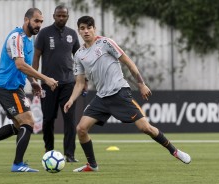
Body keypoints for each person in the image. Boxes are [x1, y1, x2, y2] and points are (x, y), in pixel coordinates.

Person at [64, 16, 191, 172]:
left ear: (94, 29)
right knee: (81, 129)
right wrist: (71, 100)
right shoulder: (78, 54)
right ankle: (92, 165)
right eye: (82, 28)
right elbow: (80, 83)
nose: (86, 31)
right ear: (79, 31)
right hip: (101, 98)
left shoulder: (106, 43)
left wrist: (141, 84)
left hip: (119, 93)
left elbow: (128, 61)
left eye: (89, 27)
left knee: (146, 128)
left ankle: (175, 151)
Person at [0, 8, 58, 172]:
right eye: (36, 21)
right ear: (27, 20)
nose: (39, 25)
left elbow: (25, 67)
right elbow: (20, 64)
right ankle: (18, 164)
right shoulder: (16, 37)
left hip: (14, 86)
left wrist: (32, 81)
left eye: (41, 22)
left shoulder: (29, 40)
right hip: (7, 87)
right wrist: (44, 78)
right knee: (28, 122)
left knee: (19, 126)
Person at [32, 5, 81, 162]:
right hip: (48, 84)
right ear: (53, 16)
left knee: (70, 120)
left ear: (67, 17)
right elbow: (36, 57)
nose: (61, 18)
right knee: (48, 119)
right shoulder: (44, 33)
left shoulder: (72, 34)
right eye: (58, 16)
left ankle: (70, 154)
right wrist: (34, 80)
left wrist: (83, 79)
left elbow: (79, 58)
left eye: (64, 16)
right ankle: (49, 151)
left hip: (68, 84)